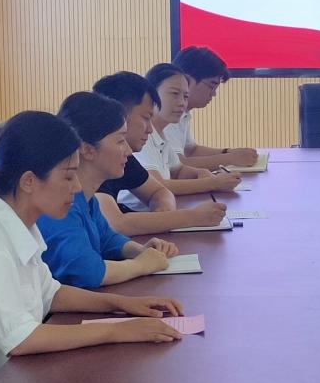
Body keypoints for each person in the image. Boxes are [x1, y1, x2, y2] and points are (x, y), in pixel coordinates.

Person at [0, 111, 184, 383]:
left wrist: (124, 305)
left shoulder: (20, 224)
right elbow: (22, 339)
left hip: (13, 379)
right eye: (68, 176)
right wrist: (119, 330)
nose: (77, 187)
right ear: (28, 181)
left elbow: (52, 293)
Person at [36, 92, 181, 288]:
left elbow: (106, 238)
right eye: (120, 141)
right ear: (87, 149)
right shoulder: (59, 203)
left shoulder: (86, 198)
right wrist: (140, 265)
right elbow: (85, 272)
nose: (128, 151)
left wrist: (141, 251)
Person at [92, 71, 228, 233]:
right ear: (119, 116)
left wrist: (164, 213)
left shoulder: (122, 154)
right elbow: (117, 225)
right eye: (146, 118)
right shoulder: (93, 158)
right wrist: (194, 216)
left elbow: (160, 191)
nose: (150, 129)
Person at [139, 62, 242, 196]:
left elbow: (178, 170)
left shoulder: (160, 133)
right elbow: (157, 186)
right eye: (174, 94)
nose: (182, 103)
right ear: (151, 94)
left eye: (185, 96)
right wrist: (213, 182)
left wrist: (201, 172)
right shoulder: (142, 135)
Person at [166, 46, 258, 169]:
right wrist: (230, 159)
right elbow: (177, 166)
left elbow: (191, 151)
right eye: (211, 86)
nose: (214, 94)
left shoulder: (183, 113)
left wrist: (228, 152)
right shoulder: (167, 112)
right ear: (187, 80)